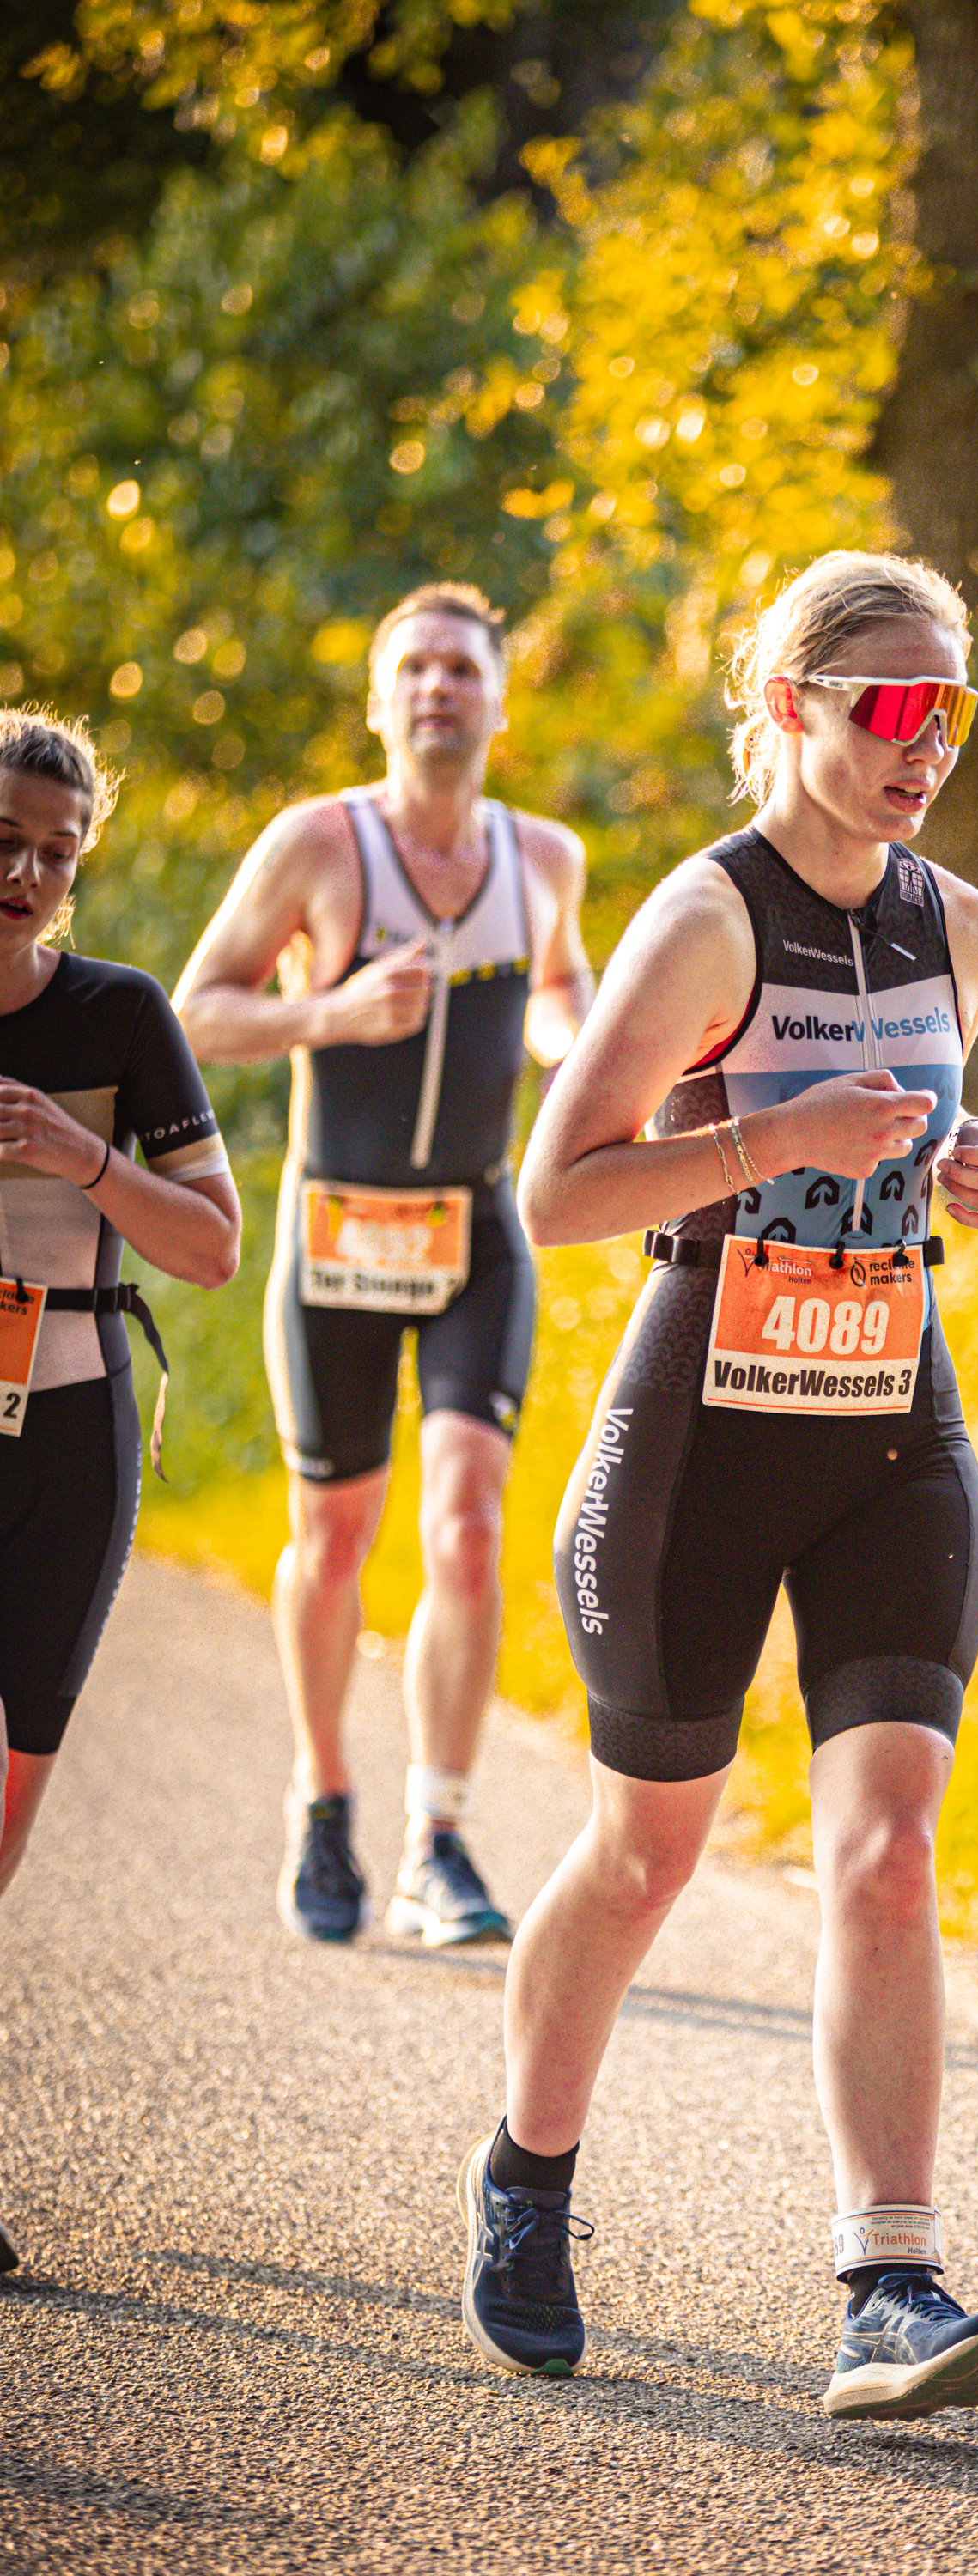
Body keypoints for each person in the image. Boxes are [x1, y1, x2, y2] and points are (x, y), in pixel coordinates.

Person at [458, 549, 978, 2421]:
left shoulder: (969, 931)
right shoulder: (707, 923)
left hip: (891, 1420)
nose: (923, 744)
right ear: (786, 707)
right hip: (702, 1426)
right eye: (887, 705)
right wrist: (773, 1134)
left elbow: (914, 1142)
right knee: (649, 1856)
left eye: (949, 709)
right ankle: (529, 2176)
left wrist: (962, 1178)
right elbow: (555, 1196)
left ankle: (892, 2284)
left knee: (889, 1851)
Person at [174, 584, 593, 1951]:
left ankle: (443, 1837)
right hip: (336, 1231)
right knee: (335, 1535)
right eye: (410, 666)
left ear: (497, 698)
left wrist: (570, 1047)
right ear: (379, 700)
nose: (436, 688)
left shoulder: (546, 861)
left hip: (476, 1231)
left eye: (461, 668)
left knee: (469, 1521)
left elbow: (561, 997)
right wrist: (333, 1010)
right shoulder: (319, 845)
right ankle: (323, 1794)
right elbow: (198, 1012)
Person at [0, 707, 241, 2273]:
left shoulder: (119, 1017)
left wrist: (80, 1163)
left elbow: (214, 1245)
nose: (25, 871)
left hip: (66, 1442)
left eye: (56, 852)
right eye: (3, 841)